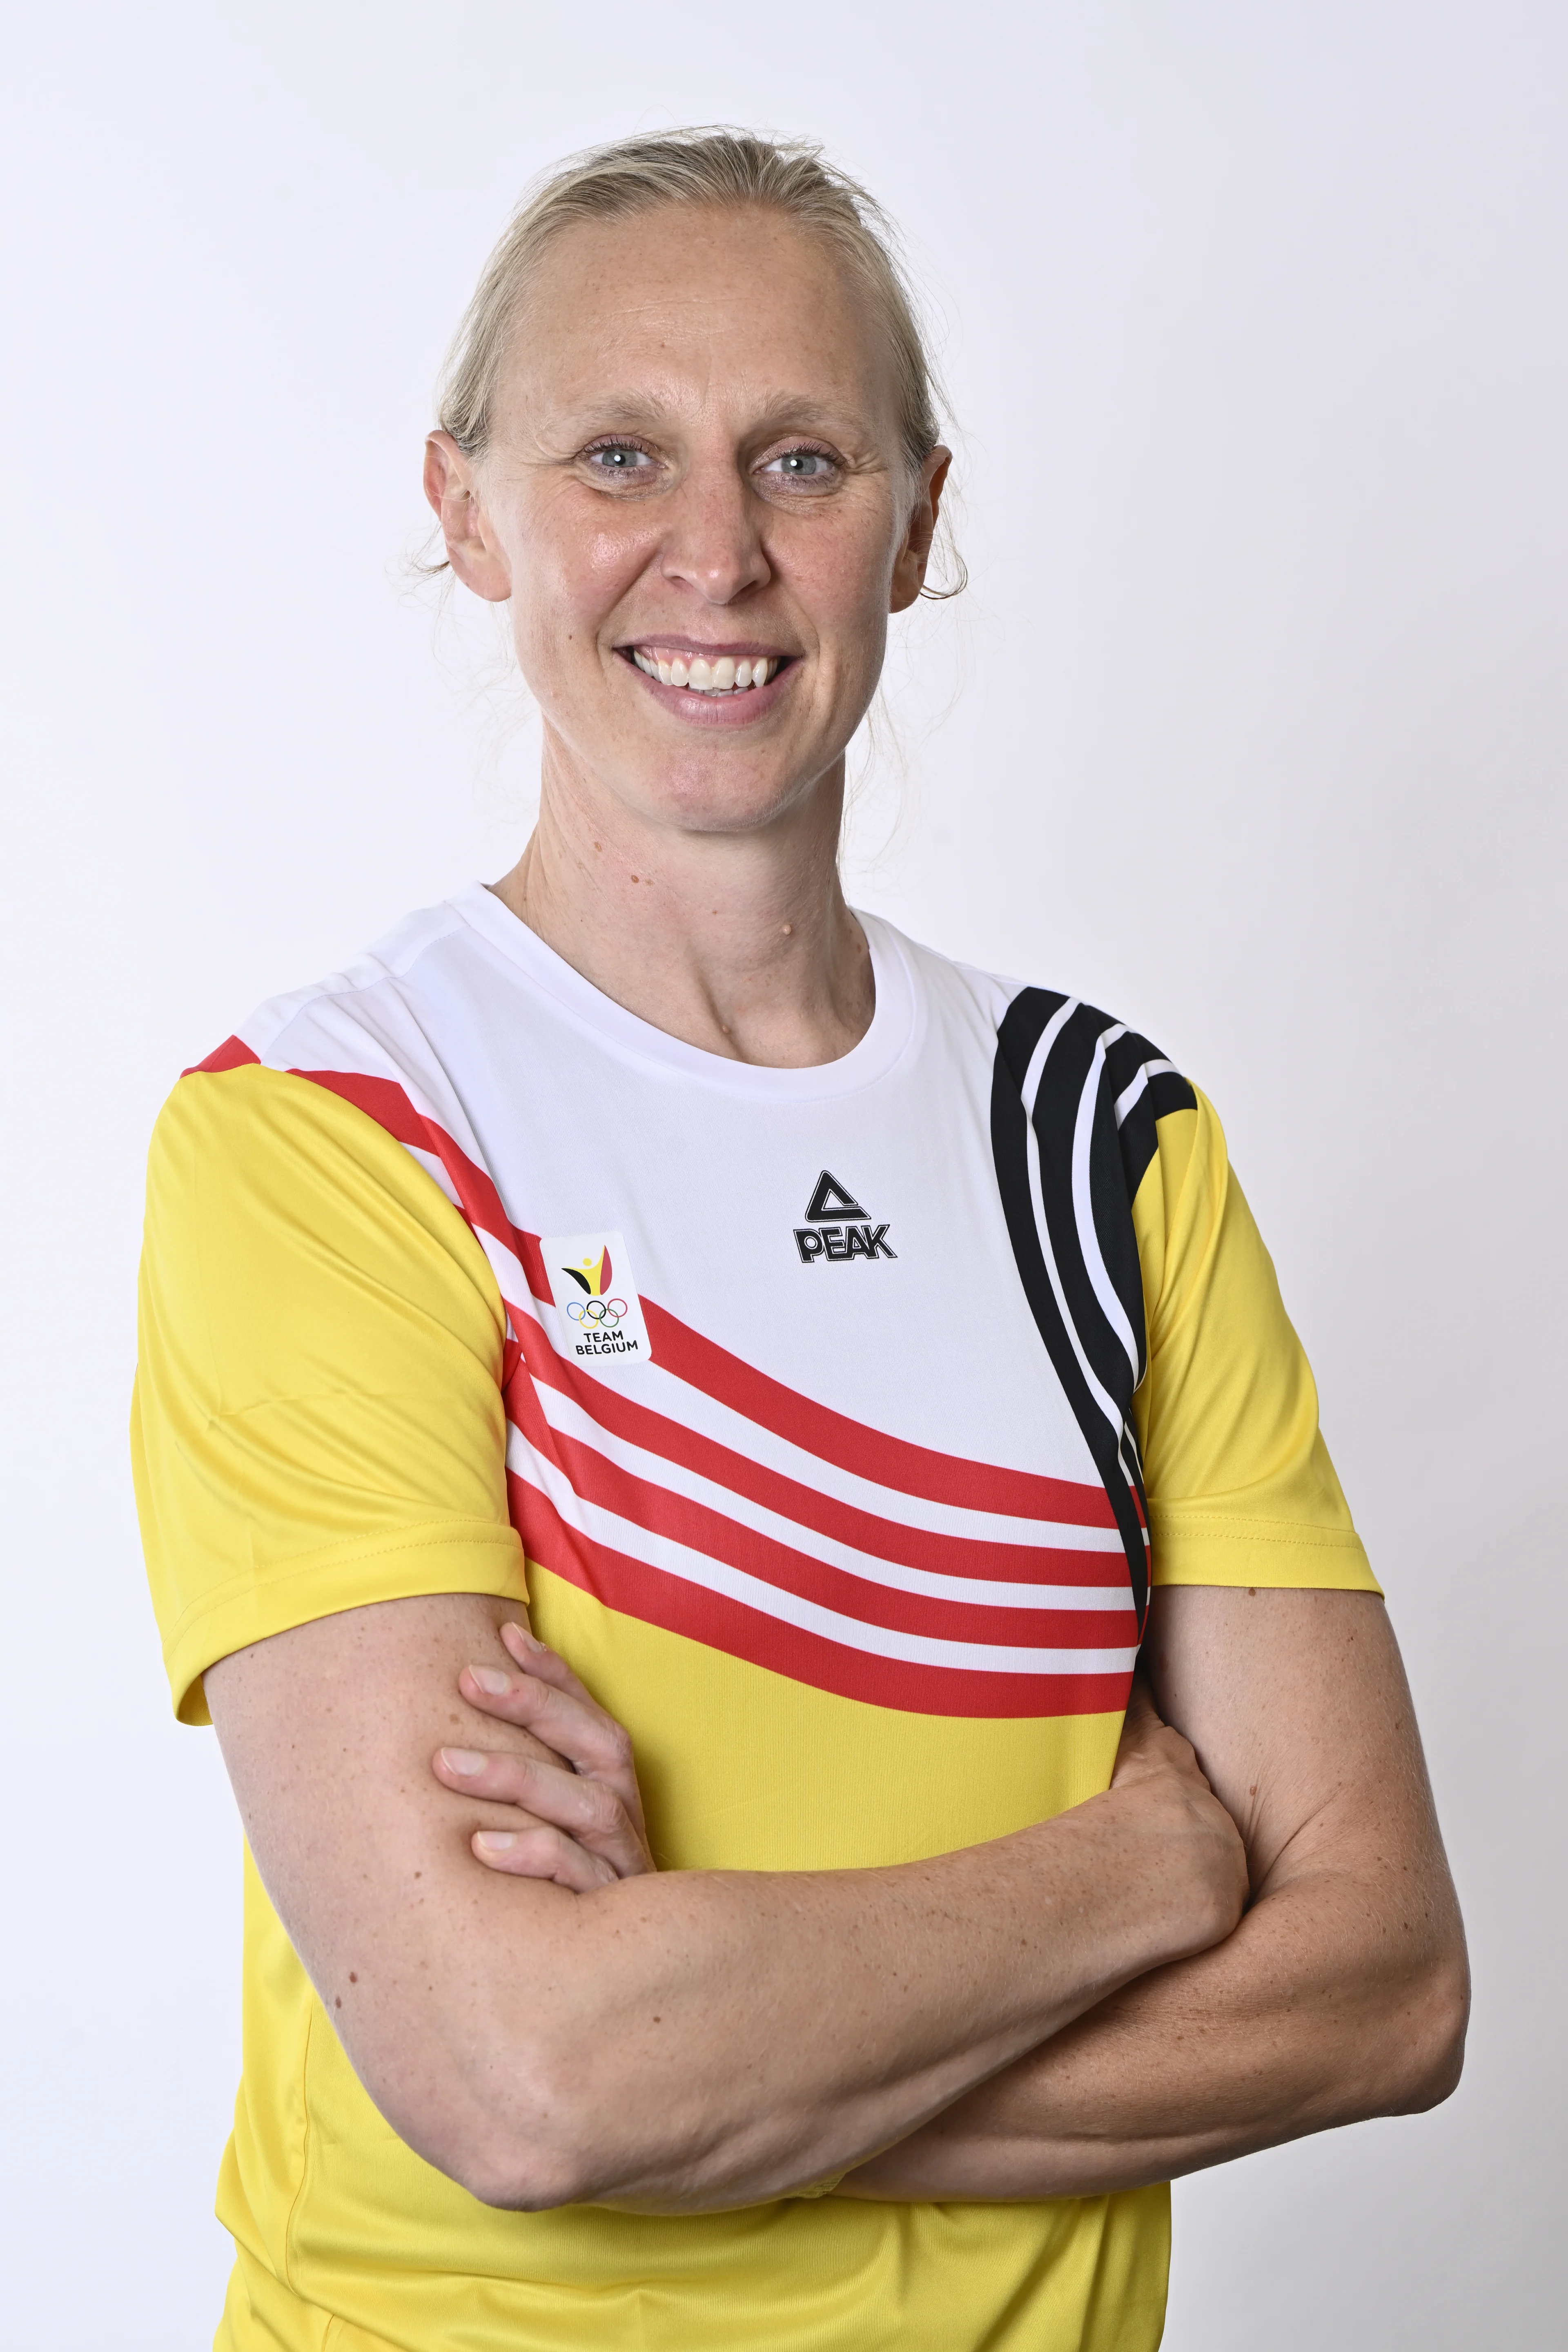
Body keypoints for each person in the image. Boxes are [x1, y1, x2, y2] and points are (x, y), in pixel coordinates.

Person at [132, 128, 1468, 2352]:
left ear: (919, 521)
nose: (716, 555)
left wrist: (712, 2040)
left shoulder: (1109, 1153)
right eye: (619, 454)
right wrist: (1142, 1866)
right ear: (468, 510)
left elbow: (1387, 1985)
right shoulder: (336, 1140)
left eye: (806, 461)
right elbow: (525, 2075)